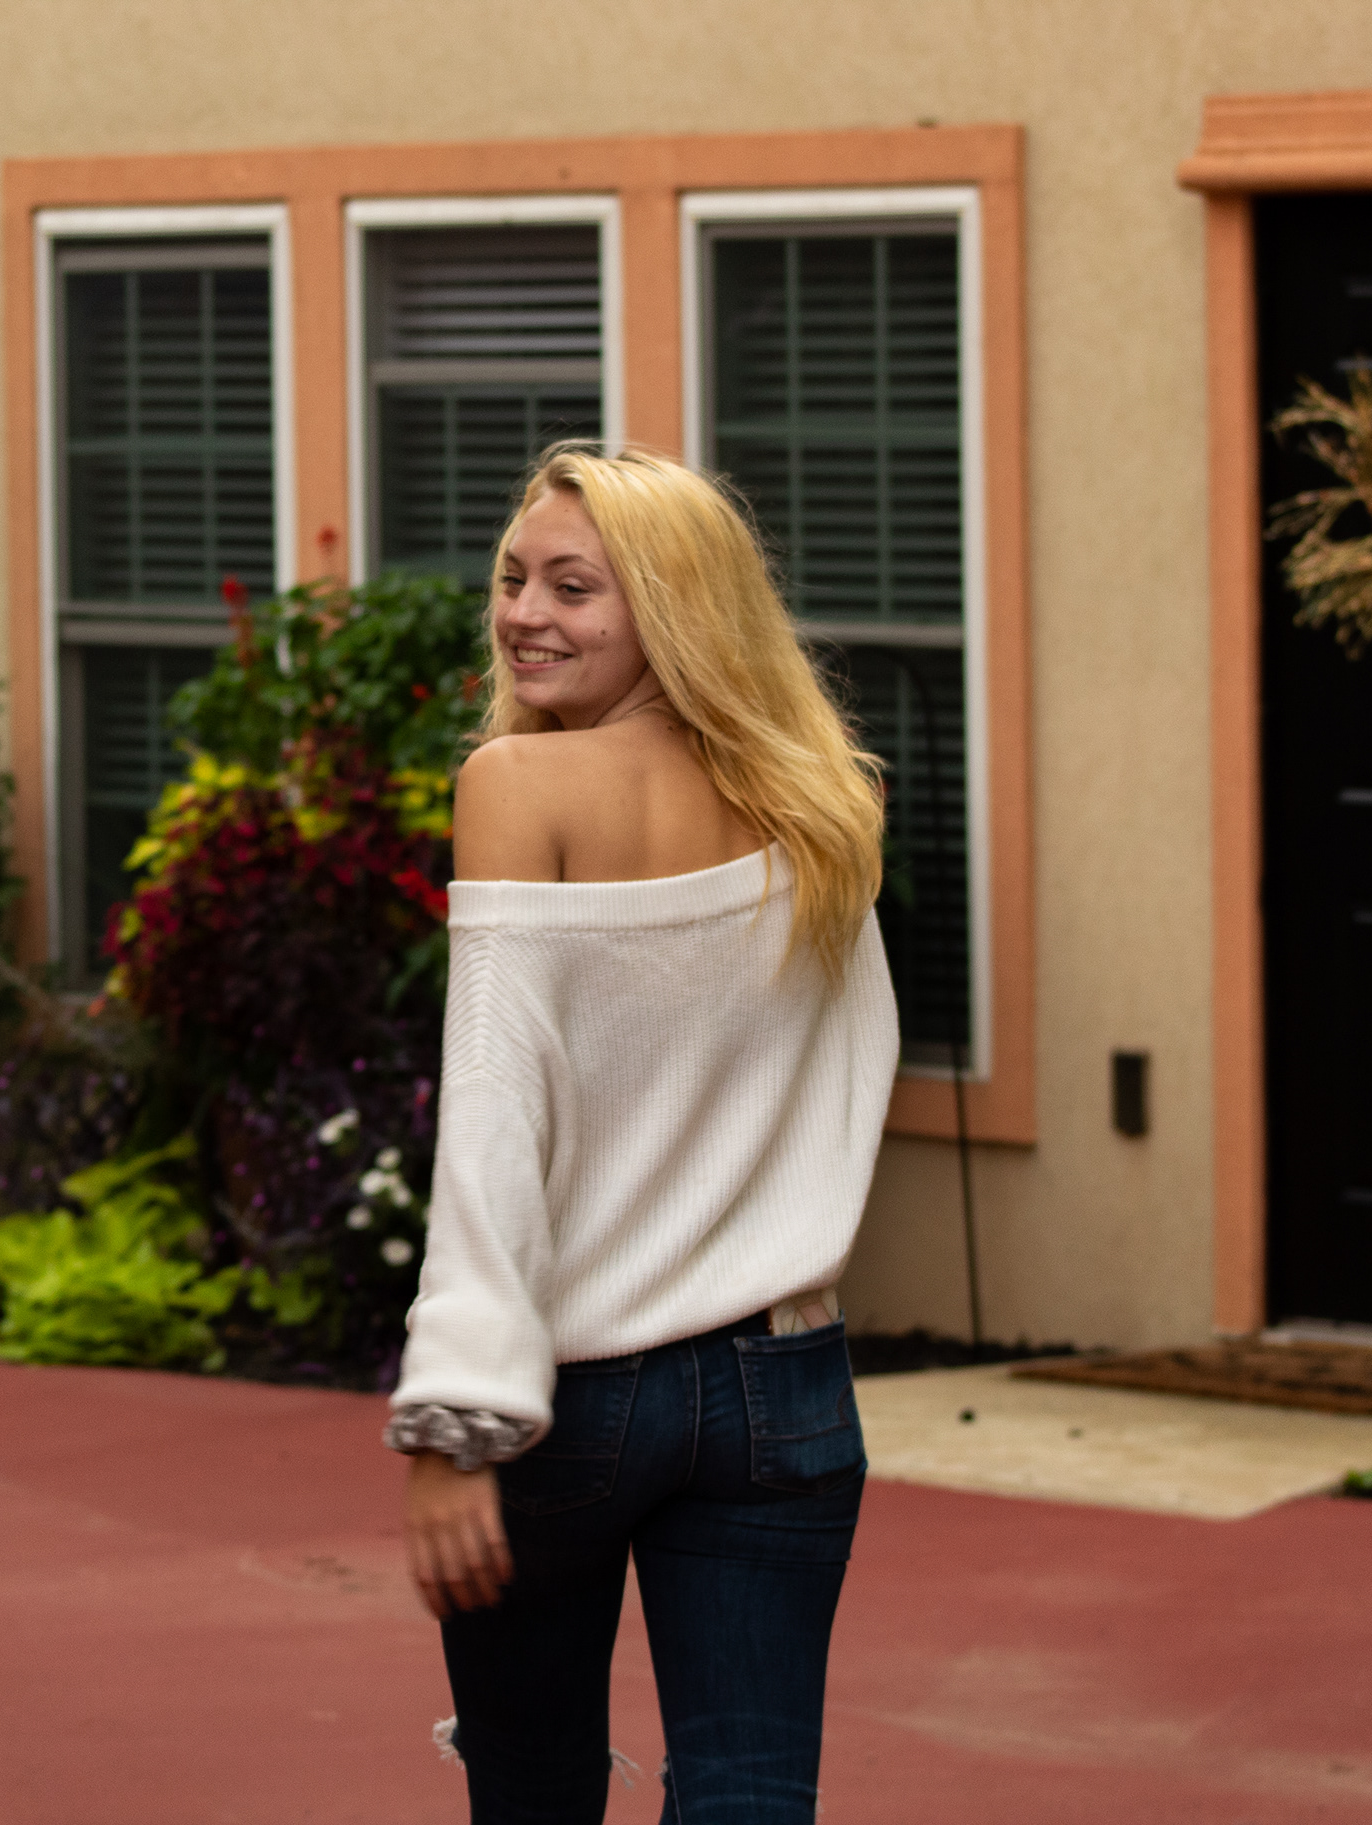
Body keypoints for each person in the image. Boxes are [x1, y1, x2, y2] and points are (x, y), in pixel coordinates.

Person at [383, 445, 900, 1824]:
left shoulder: (517, 783)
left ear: (673, 606)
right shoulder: (824, 802)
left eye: (574, 587)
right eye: (512, 578)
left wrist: (454, 1415)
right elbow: (846, 1078)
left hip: (574, 1393)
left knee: (534, 1790)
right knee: (753, 1798)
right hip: (786, 1384)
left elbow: (496, 1111)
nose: (523, 613)